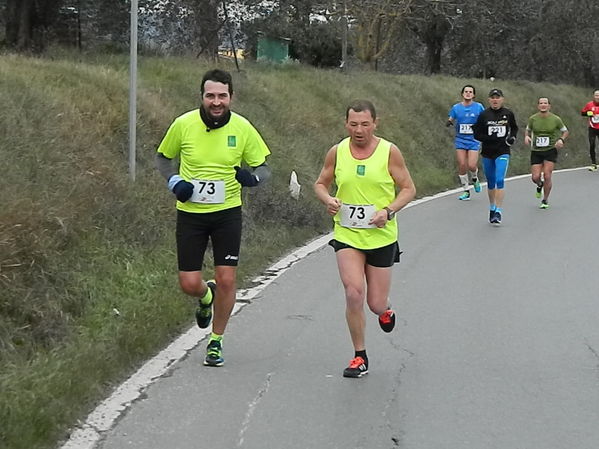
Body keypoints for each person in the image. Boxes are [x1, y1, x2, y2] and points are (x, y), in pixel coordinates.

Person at [155, 69, 271, 367]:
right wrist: (174, 182)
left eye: (222, 96)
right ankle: (206, 297)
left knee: (228, 278)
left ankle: (216, 341)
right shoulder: (183, 124)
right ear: (202, 97)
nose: (216, 102)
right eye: (211, 96)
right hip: (191, 215)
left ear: (231, 97)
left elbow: (264, 169)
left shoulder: (243, 128)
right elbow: (163, 158)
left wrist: (252, 179)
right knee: (188, 283)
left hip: (227, 214)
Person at [314, 100, 416, 378]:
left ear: (375, 123)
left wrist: (388, 210)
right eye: (353, 124)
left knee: (375, 303)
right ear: (346, 124)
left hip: (381, 236)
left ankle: (386, 311)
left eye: (365, 124)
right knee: (353, 292)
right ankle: (360, 356)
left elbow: (408, 188)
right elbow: (321, 183)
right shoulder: (337, 151)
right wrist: (328, 199)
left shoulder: (389, 152)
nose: (359, 130)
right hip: (348, 234)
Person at [472, 88, 518, 225]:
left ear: (502, 99)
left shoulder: (508, 114)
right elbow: (476, 133)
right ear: (489, 100)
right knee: (491, 182)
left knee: (499, 179)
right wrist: (487, 138)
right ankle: (492, 207)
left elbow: (514, 128)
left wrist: (512, 138)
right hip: (487, 152)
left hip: (502, 151)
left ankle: (498, 211)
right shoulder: (484, 115)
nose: (495, 100)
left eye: (497, 97)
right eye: (492, 98)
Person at [524, 97, 569, 209]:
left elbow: (565, 131)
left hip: (550, 150)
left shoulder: (556, 119)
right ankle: (540, 185)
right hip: (536, 150)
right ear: (538, 106)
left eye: (545, 103)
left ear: (549, 106)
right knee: (535, 177)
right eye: (541, 103)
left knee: (547, 175)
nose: (543, 105)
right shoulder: (533, 119)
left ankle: (545, 200)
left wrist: (561, 140)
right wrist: (527, 137)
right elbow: (528, 130)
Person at [446, 85, 485, 200]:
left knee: (472, 165)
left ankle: (475, 178)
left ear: (474, 95)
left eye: (470, 92)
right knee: (462, 164)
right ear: (462, 94)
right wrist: (449, 122)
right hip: (461, 140)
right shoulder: (456, 108)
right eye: (466, 92)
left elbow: (484, 118)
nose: (468, 93)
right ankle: (466, 190)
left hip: (474, 140)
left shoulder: (478, 107)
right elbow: (451, 118)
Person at [580, 89, 599, 171]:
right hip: (592, 128)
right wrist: (590, 113)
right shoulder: (589, 104)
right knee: (592, 145)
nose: (598, 97)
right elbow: (582, 113)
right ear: (593, 96)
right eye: (596, 95)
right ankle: (593, 163)